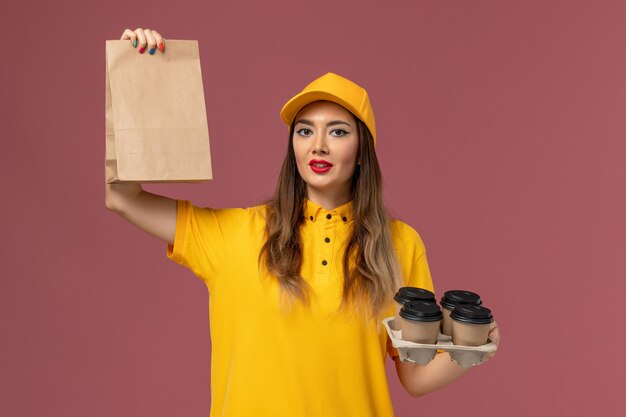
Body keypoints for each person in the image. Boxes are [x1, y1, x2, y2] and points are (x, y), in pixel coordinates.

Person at [106, 28, 501, 417]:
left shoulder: (400, 245)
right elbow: (121, 197)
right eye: (305, 131)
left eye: (339, 132)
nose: (319, 145)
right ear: (293, 145)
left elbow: (414, 378)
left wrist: (476, 348)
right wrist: (136, 80)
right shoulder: (235, 234)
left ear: (362, 151)